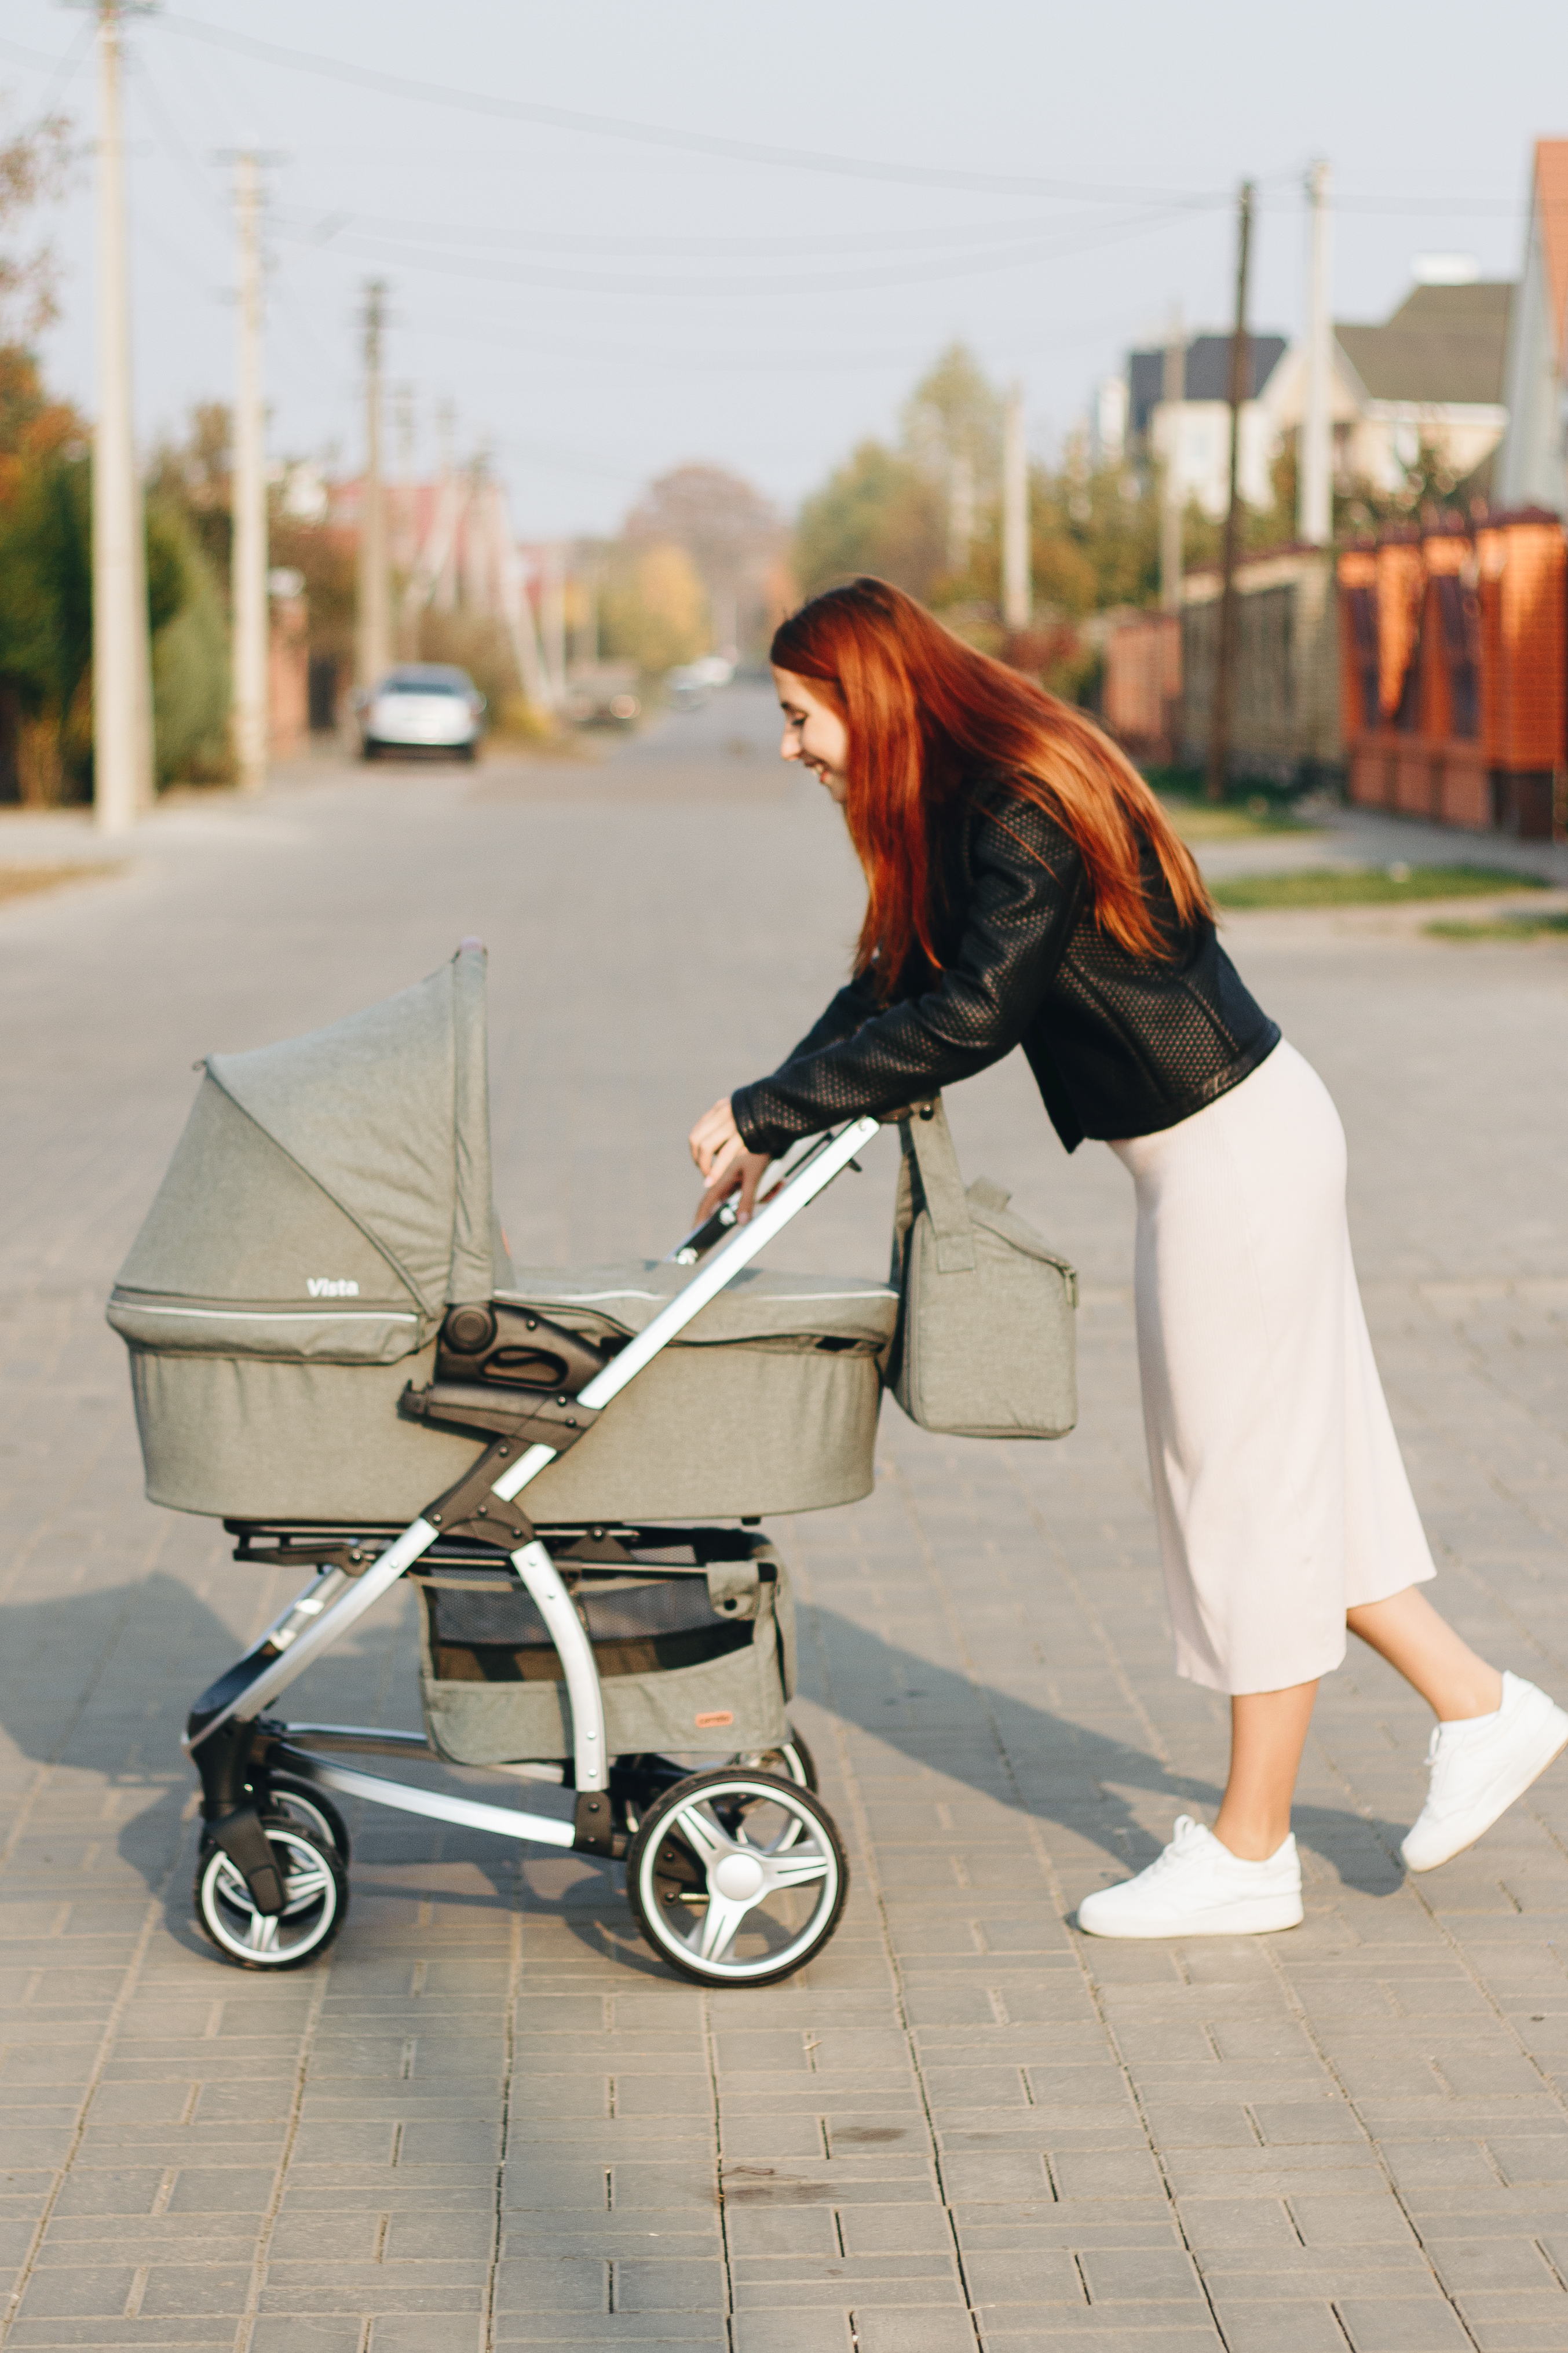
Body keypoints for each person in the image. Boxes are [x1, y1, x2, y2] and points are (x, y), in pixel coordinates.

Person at [687, 576, 1568, 1940]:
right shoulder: (969, 795)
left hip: (1231, 1160)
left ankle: (1250, 1851)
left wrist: (770, 1110)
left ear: (870, 695)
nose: (793, 746)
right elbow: (893, 984)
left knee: (1241, 1490)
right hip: (1230, 1145)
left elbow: (974, 1014)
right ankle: (1478, 1707)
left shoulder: (1014, 799)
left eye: (804, 717)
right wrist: (771, 1106)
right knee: (1284, 1471)